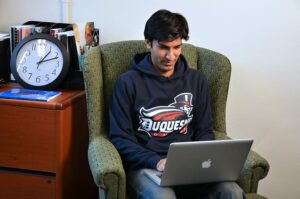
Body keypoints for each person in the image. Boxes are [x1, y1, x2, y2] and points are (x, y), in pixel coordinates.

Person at [109, 9, 245, 199]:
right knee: (163, 197)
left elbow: (205, 129)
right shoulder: (127, 82)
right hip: (146, 167)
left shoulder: (196, 80)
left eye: (177, 47)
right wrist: (156, 161)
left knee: (232, 192)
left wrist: (201, 161)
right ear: (148, 42)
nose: (170, 56)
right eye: (164, 47)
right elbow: (120, 137)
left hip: (190, 168)